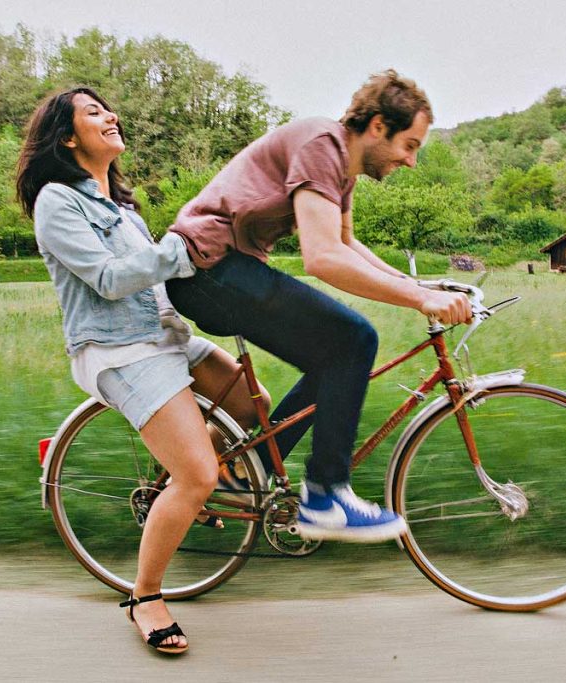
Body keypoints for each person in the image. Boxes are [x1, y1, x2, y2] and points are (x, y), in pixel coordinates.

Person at [166, 70, 472, 543]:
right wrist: (421, 299)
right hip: (207, 269)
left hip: (225, 272)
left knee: (336, 359)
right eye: (409, 145)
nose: (411, 161)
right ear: (376, 126)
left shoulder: (340, 167)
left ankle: (244, 474)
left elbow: (347, 242)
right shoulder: (320, 145)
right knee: (354, 339)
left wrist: (420, 284)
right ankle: (325, 496)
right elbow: (323, 258)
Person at [17, 87, 267, 655]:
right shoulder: (59, 202)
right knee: (198, 475)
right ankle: (145, 595)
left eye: (109, 108)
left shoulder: (122, 207)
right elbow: (108, 279)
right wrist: (185, 248)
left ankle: (191, 478)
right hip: (119, 351)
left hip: (166, 338)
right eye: (93, 112)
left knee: (255, 406)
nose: (110, 115)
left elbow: (155, 279)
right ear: (66, 136)